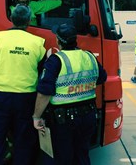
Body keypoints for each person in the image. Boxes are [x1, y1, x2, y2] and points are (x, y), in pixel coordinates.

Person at [0, 4, 46, 165]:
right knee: (24, 141)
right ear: (29, 21)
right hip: (26, 99)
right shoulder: (38, 43)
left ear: (12, 19)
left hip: (0, 98)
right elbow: (44, 74)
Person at [32, 23, 107, 165]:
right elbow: (101, 77)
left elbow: (44, 93)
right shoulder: (89, 56)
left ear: (58, 41)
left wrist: (36, 117)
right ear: (75, 39)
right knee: (82, 155)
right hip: (88, 117)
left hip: (64, 121)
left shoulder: (55, 60)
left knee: (63, 158)